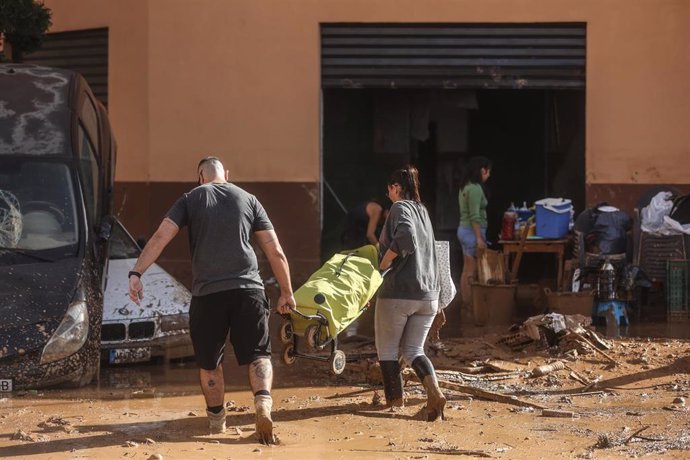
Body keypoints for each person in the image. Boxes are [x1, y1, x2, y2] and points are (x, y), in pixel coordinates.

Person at [127, 156, 295, 445]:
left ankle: (217, 424)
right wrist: (286, 291)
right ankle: (263, 404)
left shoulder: (190, 198)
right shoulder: (249, 198)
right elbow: (275, 249)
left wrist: (137, 272)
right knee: (259, 355)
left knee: (209, 364)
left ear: (200, 177)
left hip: (208, 294)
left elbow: (160, 236)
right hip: (249, 290)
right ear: (226, 175)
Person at [376, 165, 445, 421]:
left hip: (399, 292)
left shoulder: (400, 207)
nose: (389, 196)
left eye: (389, 191)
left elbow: (406, 237)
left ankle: (394, 403)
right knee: (414, 350)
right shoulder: (423, 211)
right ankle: (434, 391)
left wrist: (384, 263)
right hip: (428, 295)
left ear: (395, 188)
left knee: (387, 350)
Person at [457, 156, 492, 308]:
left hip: (464, 230)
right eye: (487, 171)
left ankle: (467, 302)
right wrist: (479, 237)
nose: (488, 175)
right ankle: (471, 303)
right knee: (472, 269)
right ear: (482, 170)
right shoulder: (475, 189)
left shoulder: (465, 186)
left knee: (467, 268)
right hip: (472, 232)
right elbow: (474, 216)